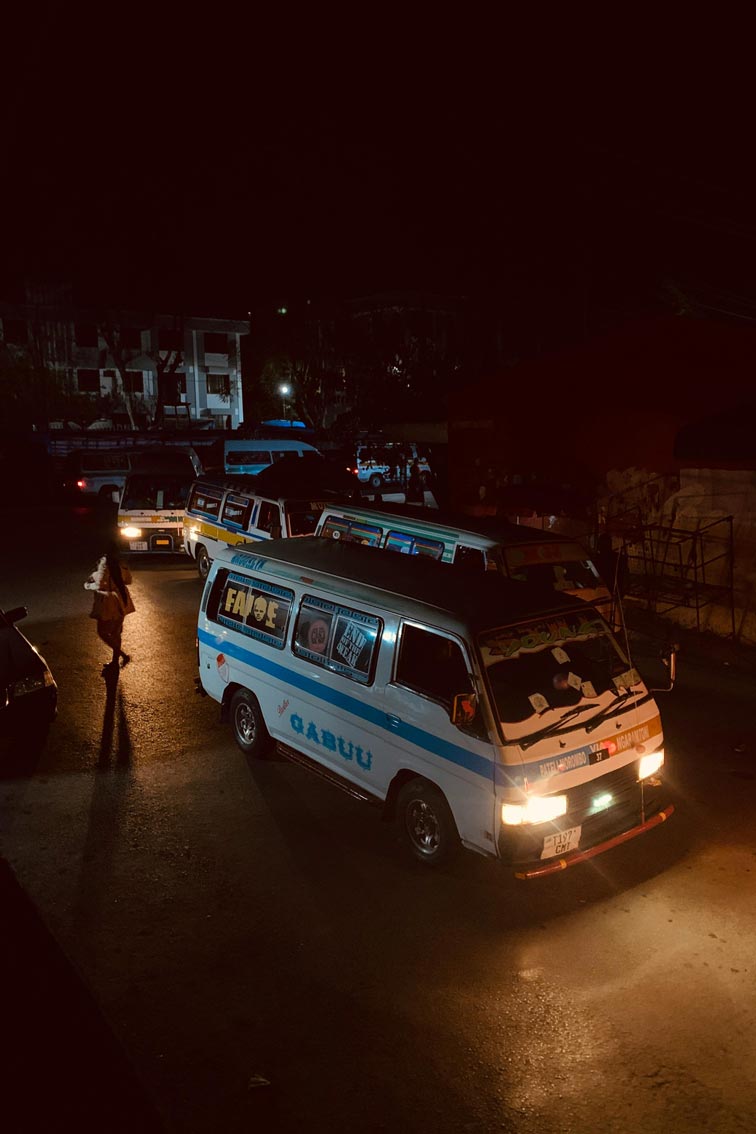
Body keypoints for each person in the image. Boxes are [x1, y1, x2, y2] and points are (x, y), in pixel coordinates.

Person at [84, 549, 136, 674]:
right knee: (116, 632)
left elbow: (97, 583)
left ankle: (121, 656)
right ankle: (116, 659)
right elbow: (128, 580)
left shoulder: (104, 567)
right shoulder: (121, 566)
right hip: (121, 602)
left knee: (102, 632)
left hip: (107, 604)